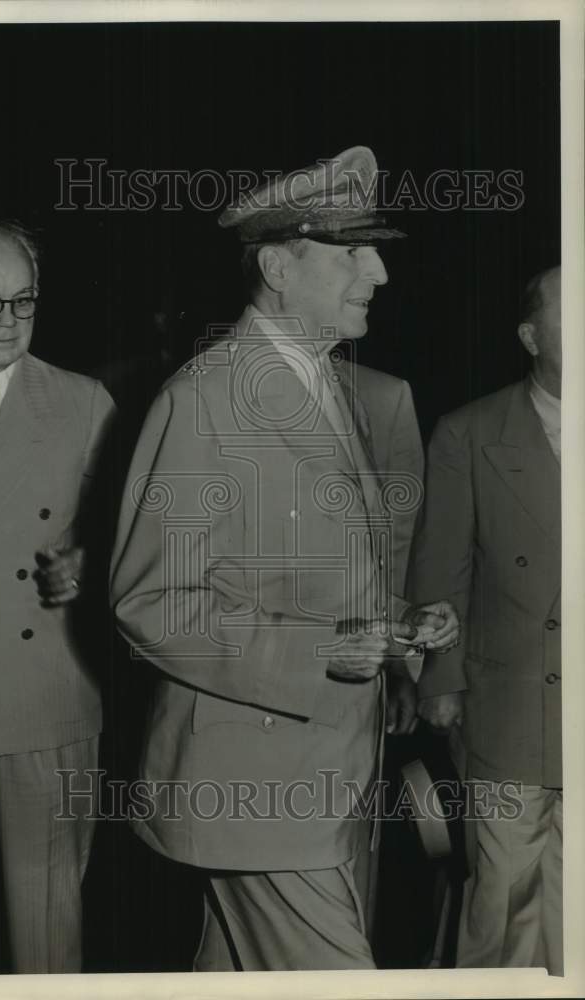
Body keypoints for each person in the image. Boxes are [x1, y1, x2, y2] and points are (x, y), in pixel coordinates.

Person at [109, 146, 459, 971]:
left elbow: (312, 576)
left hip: (326, 776)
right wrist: (322, 651)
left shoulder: (329, 387)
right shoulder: (204, 399)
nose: (378, 272)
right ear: (276, 267)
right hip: (257, 786)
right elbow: (151, 603)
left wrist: (399, 623)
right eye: (352, 250)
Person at [0, 221, 116, 972]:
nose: (8, 321)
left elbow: (134, 537)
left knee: (47, 930)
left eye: (24, 302)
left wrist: (90, 560)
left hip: (45, 694)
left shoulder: (84, 401)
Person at [408, 265, 562, 974]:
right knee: (503, 898)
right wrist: (440, 681)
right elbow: (441, 569)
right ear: (530, 336)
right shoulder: (469, 433)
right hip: (510, 705)